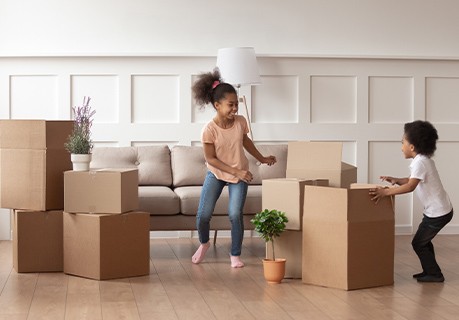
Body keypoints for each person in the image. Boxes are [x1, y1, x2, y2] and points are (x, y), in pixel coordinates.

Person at [191, 69, 277, 268]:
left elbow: (246, 142)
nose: (235, 108)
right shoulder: (209, 130)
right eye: (231, 104)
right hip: (218, 174)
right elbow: (210, 159)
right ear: (217, 105)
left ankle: (235, 255)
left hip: (239, 174)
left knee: (234, 214)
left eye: (236, 104)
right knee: (203, 215)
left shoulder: (240, 122)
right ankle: (204, 243)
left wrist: (262, 158)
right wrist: (236, 172)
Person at [370, 120, 453, 282]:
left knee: (418, 243)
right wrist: (395, 180)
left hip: (438, 213)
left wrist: (385, 192)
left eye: (403, 143)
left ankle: (435, 274)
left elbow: (410, 187)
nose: (401, 146)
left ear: (412, 147)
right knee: (423, 242)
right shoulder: (423, 160)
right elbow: (411, 180)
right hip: (437, 210)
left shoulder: (420, 162)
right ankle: (431, 271)